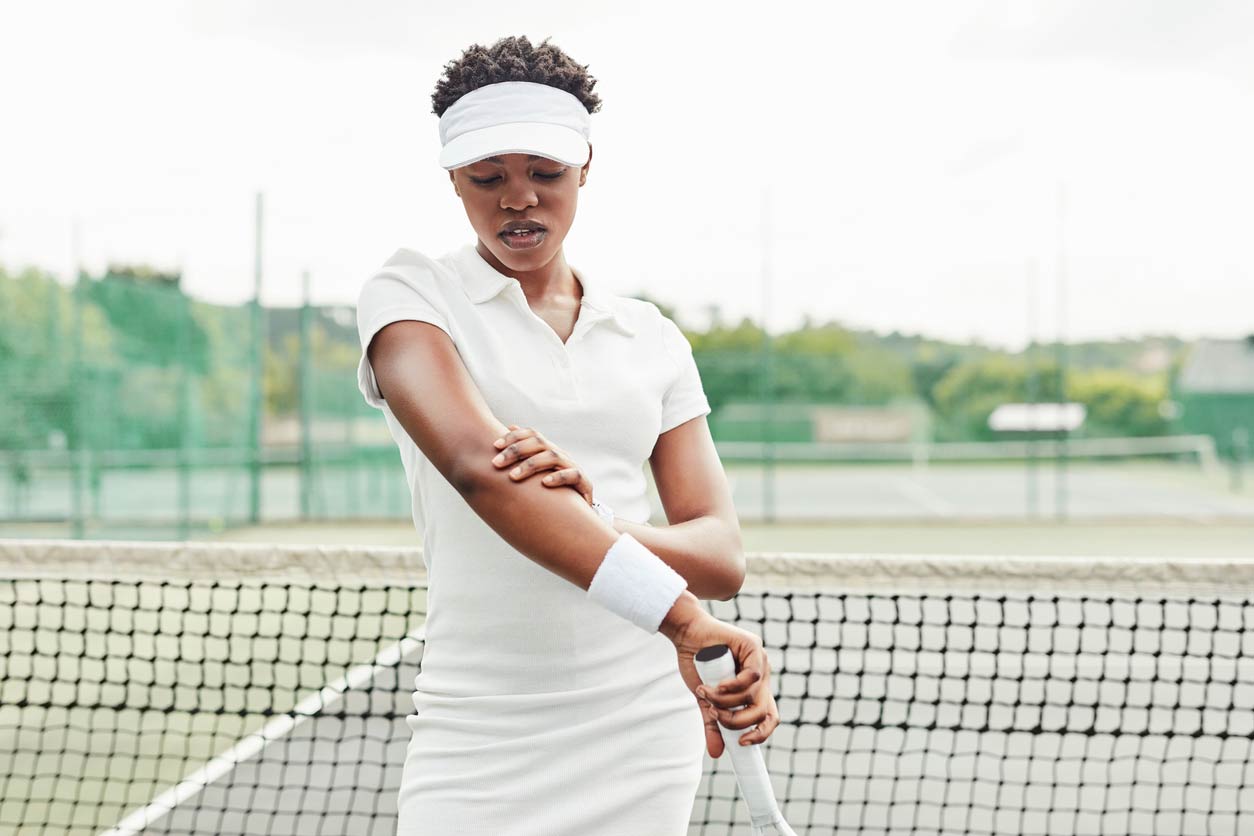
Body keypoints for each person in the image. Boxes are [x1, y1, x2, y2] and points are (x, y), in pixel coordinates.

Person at [355, 35, 780, 835]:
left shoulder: (651, 337)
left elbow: (721, 552)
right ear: (452, 178)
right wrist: (685, 619)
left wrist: (600, 517)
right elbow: (482, 470)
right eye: (488, 177)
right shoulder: (411, 295)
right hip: (477, 728)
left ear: (586, 165)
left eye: (545, 173)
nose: (518, 199)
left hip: (641, 723)